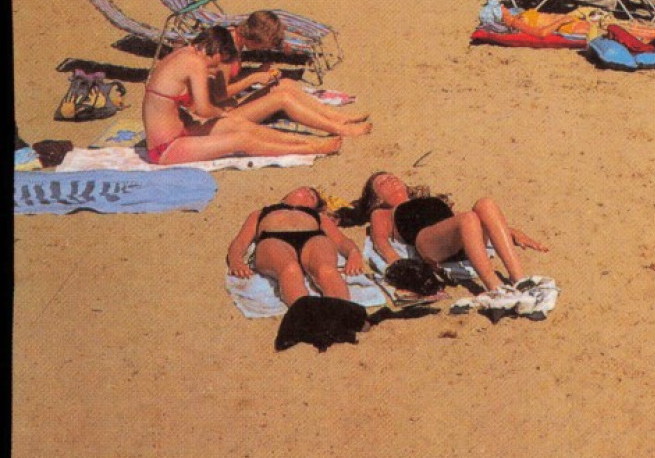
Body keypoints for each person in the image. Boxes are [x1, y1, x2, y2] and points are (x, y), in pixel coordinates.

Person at [140, 28, 353, 165]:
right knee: (241, 139)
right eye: (216, 63)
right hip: (166, 148)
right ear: (215, 52)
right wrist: (221, 114)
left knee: (242, 125)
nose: (214, 69)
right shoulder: (195, 63)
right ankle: (310, 148)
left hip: (181, 131)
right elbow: (204, 109)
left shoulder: (181, 53)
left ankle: (307, 142)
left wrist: (222, 116)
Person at [337, 172, 548, 301]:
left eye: (392, 176)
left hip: (457, 236)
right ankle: (494, 286)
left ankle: (519, 279)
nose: (391, 180)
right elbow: (380, 239)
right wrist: (394, 260)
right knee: (467, 219)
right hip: (427, 242)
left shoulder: (427, 199)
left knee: (485, 204)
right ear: (377, 198)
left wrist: (510, 231)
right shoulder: (382, 212)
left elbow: (465, 220)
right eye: (382, 183)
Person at [226, 186, 365, 305]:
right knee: (290, 270)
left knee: (326, 269)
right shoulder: (261, 213)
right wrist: (235, 260)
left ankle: (344, 314)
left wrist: (353, 253)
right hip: (273, 238)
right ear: (285, 196)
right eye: (303, 188)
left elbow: (340, 240)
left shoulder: (318, 217)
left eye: (312, 196)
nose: (307, 191)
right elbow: (241, 241)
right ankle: (307, 318)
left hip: (313, 238)